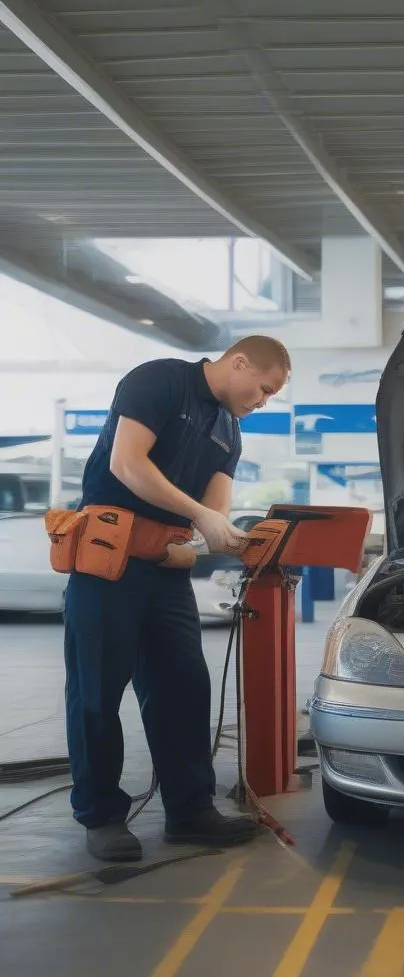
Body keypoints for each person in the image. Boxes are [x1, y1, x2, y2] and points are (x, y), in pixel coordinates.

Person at [64, 335, 291, 861]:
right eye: (263, 388)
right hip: (106, 563)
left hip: (163, 572)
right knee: (96, 691)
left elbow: (214, 513)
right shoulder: (159, 381)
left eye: (271, 395)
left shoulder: (229, 432)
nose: (263, 401)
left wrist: (229, 536)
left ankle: (189, 811)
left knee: (184, 685)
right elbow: (126, 463)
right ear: (238, 362)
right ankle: (101, 816)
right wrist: (203, 518)